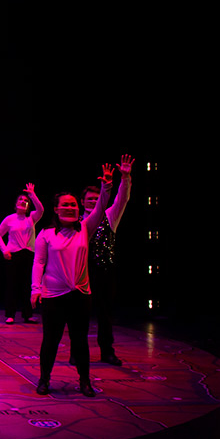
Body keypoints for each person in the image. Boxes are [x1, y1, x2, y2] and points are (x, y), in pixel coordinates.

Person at [30, 159, 125, 397]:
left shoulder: (85, 228)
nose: (71, 208)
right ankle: (44, 380)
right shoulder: (45, 234)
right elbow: (39, 262)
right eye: (66, 205)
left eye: (74, 205)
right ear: (57, 209)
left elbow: (102, 206)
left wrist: (107, 186)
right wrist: (35, 289)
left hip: (80, 295)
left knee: (81, 341)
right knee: (50, 341)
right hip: (53, 295)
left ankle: (85, 382)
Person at [79, 155, 134, 365]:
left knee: (105, 312)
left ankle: (107, 351)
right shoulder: (77, 220)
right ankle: (78, 350)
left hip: (105, 270)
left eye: (96, 198)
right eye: (89, 199)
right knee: (80, 314)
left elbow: (122, 199)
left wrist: (125, 178)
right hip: (82, 272)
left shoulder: (110, 216)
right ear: (82, 201)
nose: (93, 202)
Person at [0, 183, 44, 325]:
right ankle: (10, 314)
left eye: (26, 201)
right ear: (15, 204)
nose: (23, 202)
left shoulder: (32, 217)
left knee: (28, 284)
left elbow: (41, 209)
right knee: (12, 285)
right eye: (21, 200)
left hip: (28, 255)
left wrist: (32, 195)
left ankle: (28, 314)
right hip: (13, 255)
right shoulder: (10, 219)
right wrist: (4, 250)